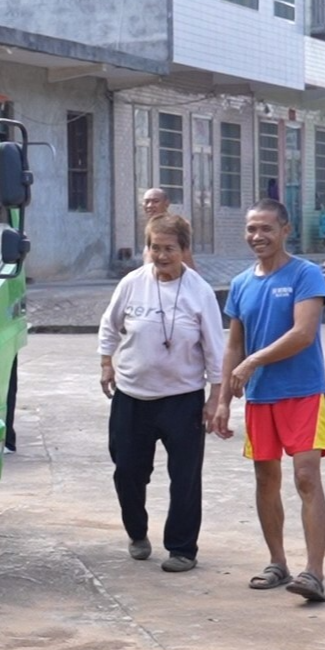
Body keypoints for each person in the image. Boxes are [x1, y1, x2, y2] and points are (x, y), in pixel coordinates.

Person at [210, 199, 325, 603]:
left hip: (303, 393)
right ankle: (277, 562)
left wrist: (253, 361)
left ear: (285, 230)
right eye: (251, 229)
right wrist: (225, 400)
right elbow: (233, 345)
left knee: (305, 477)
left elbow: (303, 333)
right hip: (260, 398)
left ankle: (313, 573)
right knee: (266, 479)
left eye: (266, 228)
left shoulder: (306, 274)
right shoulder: (243, 283)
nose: (257, 236)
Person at [98, 214, 225, 572]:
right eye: (155, 247)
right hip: (132, 396)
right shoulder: (132, 283)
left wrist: (215, 398)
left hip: (181, 399)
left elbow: (216, 349)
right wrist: (106, 364)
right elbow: (109, 326)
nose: (161, 255)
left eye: (169, 248)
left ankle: (182, 548)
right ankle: (137, 532)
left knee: (185, 476)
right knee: (127, 471)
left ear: (185, 250)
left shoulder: (199, 291)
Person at [141, 188, 197, 270]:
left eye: (155, 201)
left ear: (166, 203)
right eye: (147, 202)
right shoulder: (150, 227)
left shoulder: (174, 227)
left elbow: (187, 260)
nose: (150, 205)